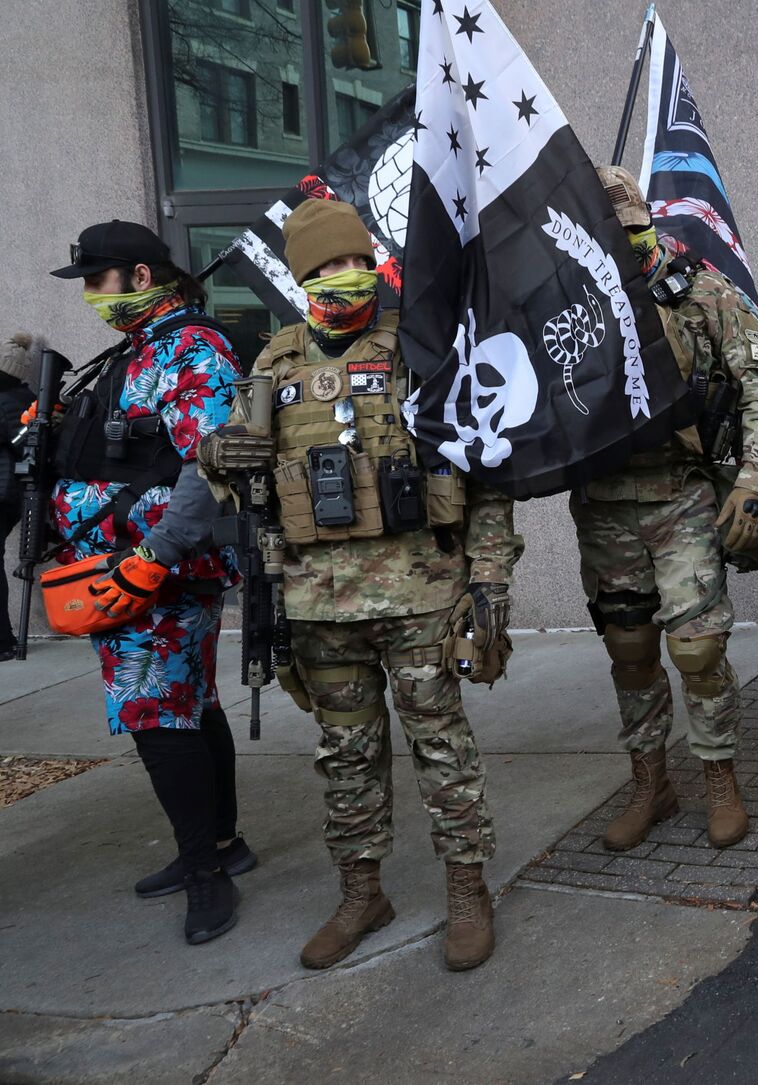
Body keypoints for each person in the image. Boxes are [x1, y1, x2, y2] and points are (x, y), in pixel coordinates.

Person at [197, 198, 523, 972]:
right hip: (318, 605)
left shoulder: (420, 346)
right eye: (328, 266)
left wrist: (488, 578)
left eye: (356, 261)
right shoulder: (273, 363)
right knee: (346, 755)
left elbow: (483, 470)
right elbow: (231, 463)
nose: (347, 275)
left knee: (441, 746)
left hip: (421, 595)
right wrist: (219, 455)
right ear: (302, 277)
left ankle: (467, 890)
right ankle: (361, 892)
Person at [44, 220, 250, 944]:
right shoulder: (139, 349)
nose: (91, 296)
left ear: (139, 276)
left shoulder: (191, 348)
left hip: (153, 575)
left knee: (155, 717)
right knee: (191, 707)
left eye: (97, 280)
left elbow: (209, 463)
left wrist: (153, 558)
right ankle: (222, 844)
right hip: (128, 569)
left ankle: (205, 873)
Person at [578, 166, 758, 853]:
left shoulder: (702, 291)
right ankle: (651, 784)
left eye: (634, 231)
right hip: (605, 501)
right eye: (611, 235)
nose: (627, 245)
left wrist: (753, 483)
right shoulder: (568, 302)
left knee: (697, 649)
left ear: (649, 221)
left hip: (684, 494)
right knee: (630, 648)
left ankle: (720, 777)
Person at [0, 333, 38, 657]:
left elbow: (24, 445)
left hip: (4, 493)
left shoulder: (9, 399)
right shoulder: (20, 397)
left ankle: (3, 641)